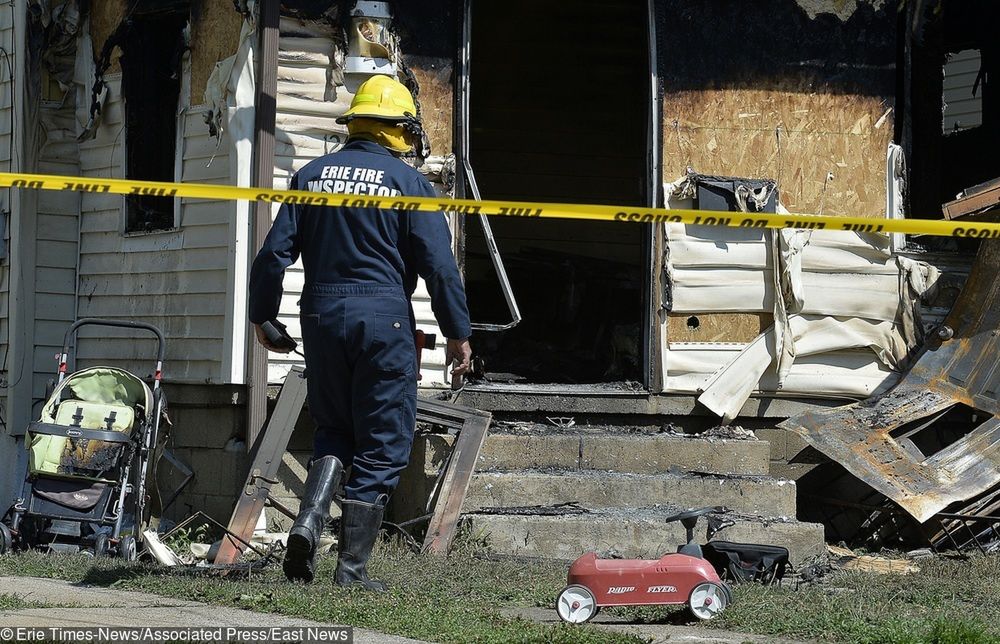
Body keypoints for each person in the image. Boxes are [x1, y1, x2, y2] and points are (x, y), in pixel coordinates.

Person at [248, 75, 472, 589]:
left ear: (354, 124)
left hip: (320, 317)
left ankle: (307, 520)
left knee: (333, 429)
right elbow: (439, 267)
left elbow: (272, 257)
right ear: (399, 130)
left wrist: (264, 317)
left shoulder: (310, 176)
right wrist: (457, 333)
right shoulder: (410, 185)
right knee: (383, 442)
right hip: (382, 318)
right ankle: (351, 571)